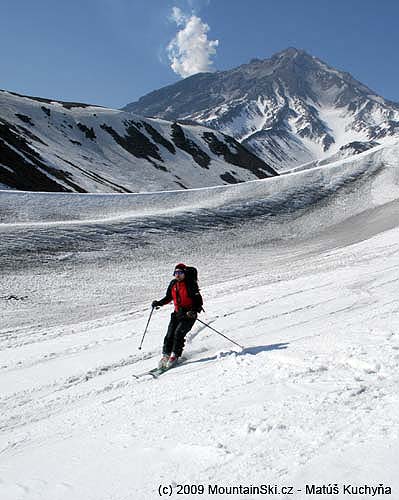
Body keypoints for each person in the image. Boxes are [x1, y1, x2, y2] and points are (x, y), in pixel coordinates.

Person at [152, 263, 203, 369]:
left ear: (184, 274)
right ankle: (166, 355)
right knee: (169, 334)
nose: (178, 275)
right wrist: (158, 303)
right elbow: (168, 297)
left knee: (178, 334)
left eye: (180, 273)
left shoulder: (190, 284)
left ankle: (175, 355)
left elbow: (198, 301)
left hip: (189, 316)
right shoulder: (173, 284)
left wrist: (193, 311)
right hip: (177, 314)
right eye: (176, 273)